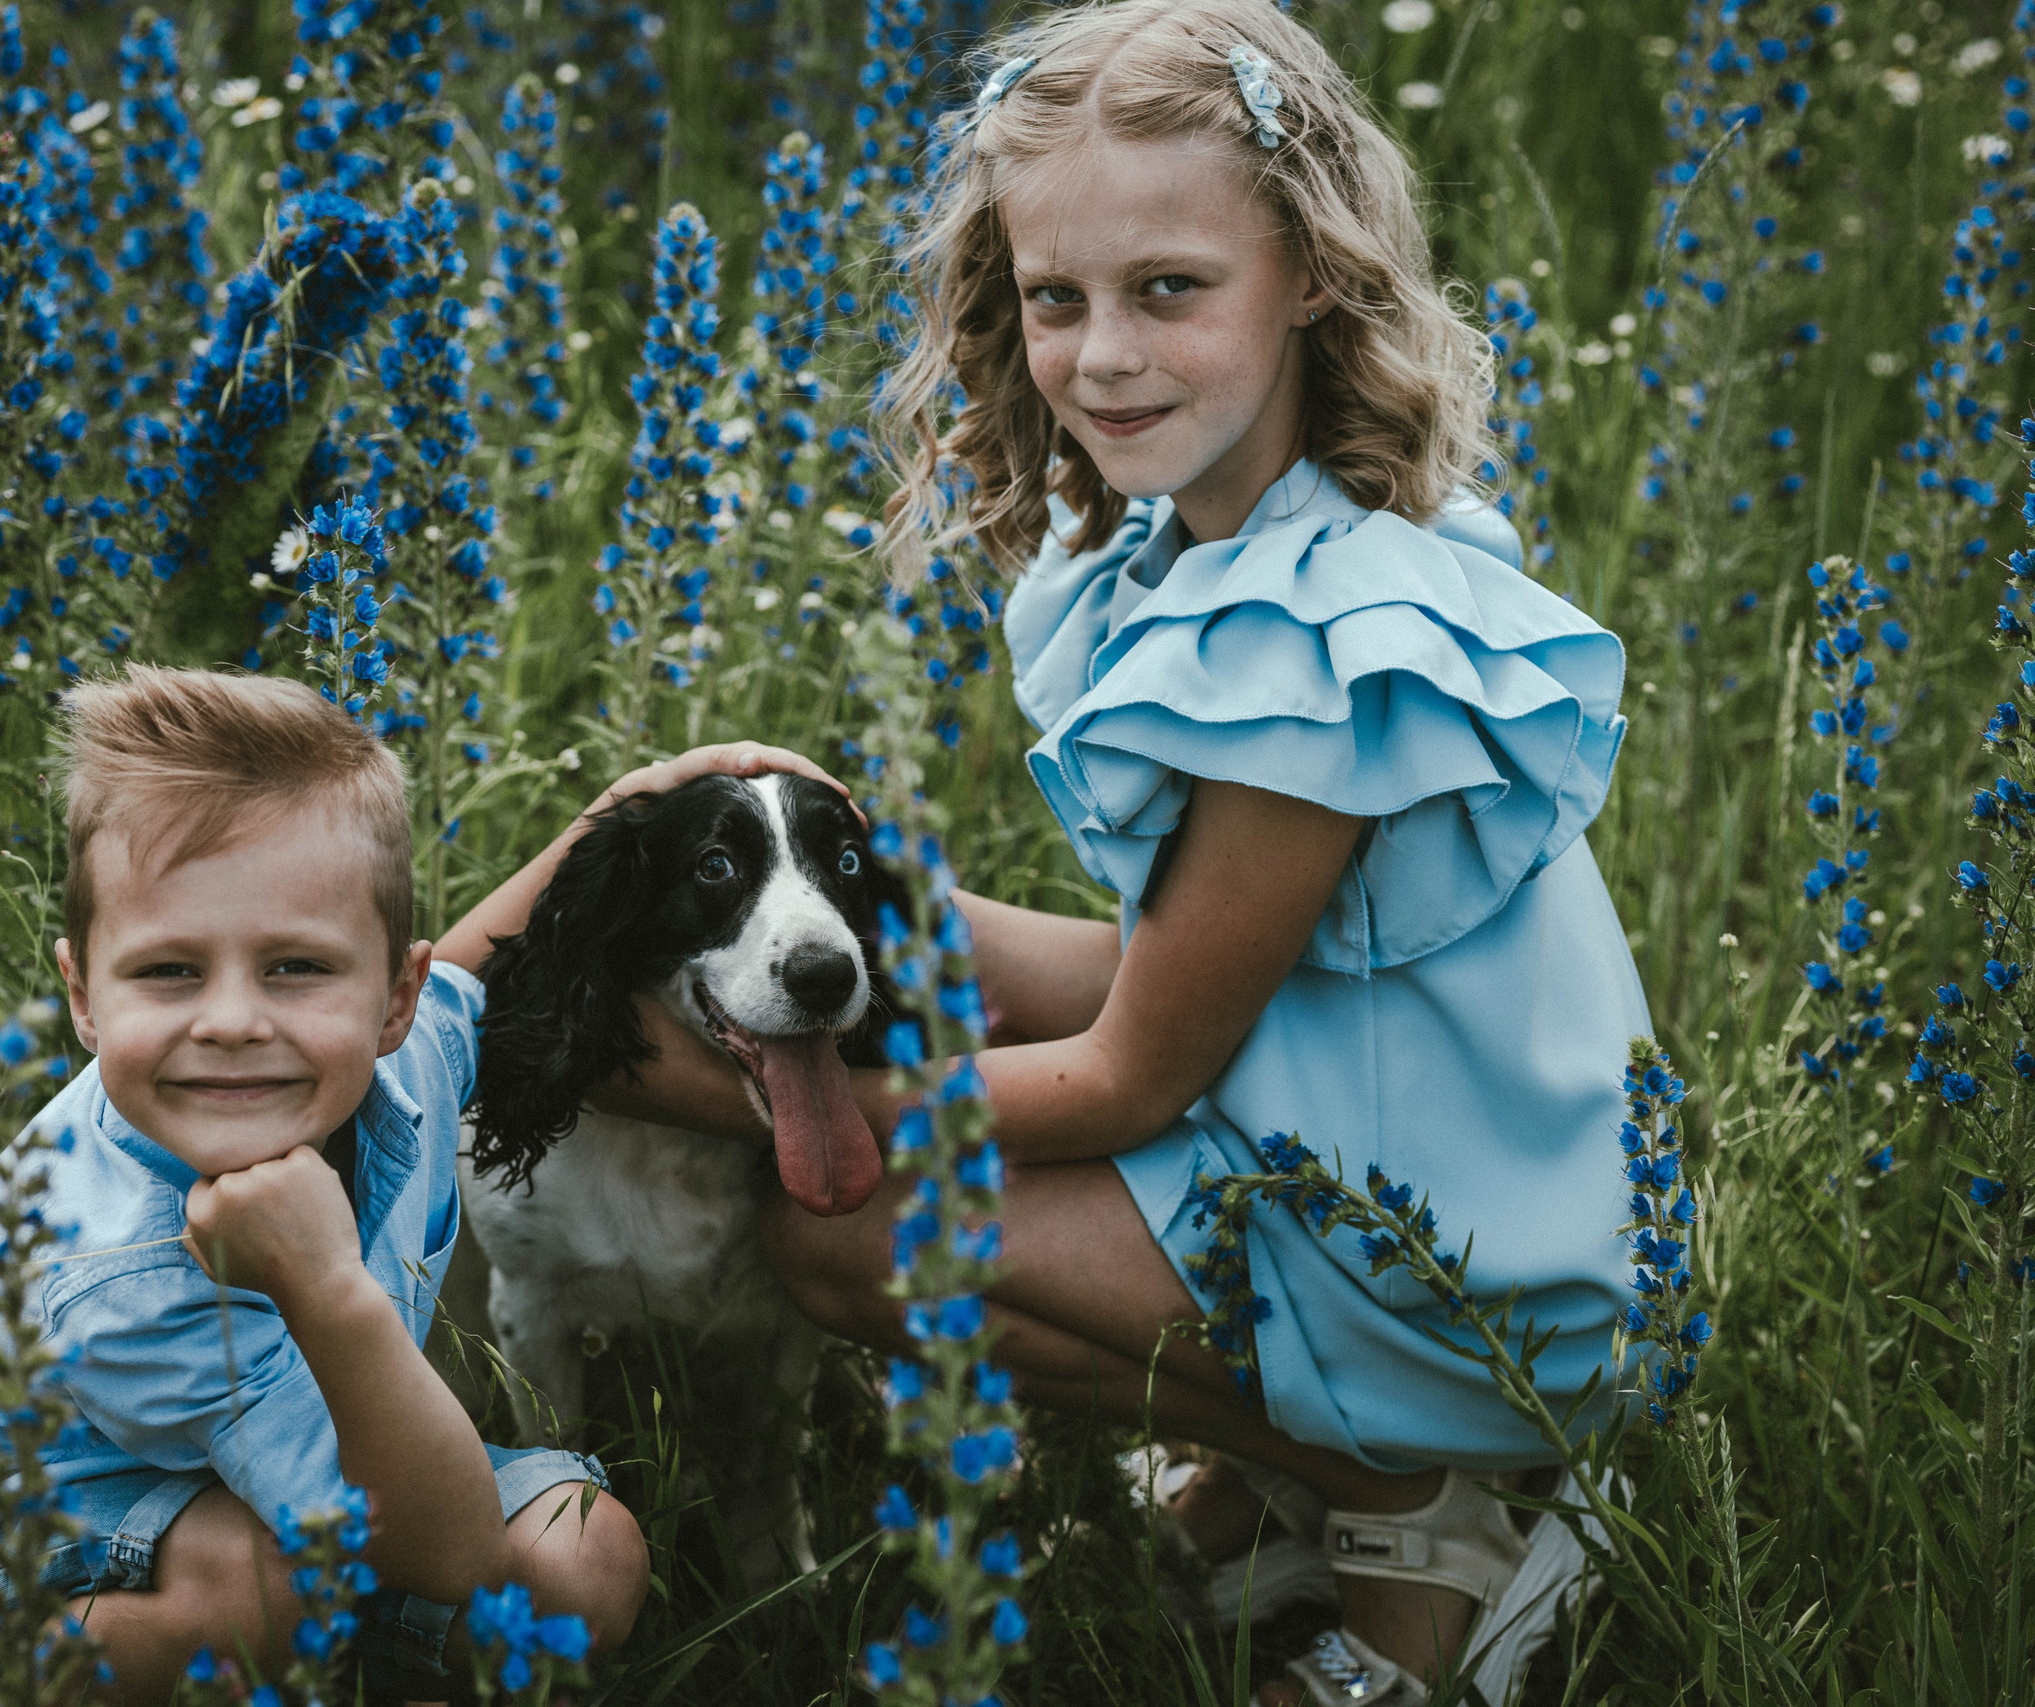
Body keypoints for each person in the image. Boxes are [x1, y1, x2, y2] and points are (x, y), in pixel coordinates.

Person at [589, 3, 1650, 1702]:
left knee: (846, 1240)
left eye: (1170, 289)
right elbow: (1226, 971)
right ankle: (1306, 1455)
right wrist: (894, 923)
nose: (1102, 356)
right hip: (1377, 1113)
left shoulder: (1324, 646)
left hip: (1463, 1253)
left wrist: (755, 1091)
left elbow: (1137, 1071)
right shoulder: (1231, 546)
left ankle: (1422, 1506)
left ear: (1309, 271)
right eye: (1055, 299)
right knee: (932, 1088)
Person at [0, 667, 652, 1703]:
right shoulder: (123, 1269)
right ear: (84, 997)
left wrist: (637, 798)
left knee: (582, 1555)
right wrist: (329, 1290)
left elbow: (495, 963)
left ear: (394, 999)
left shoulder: (402, 1055)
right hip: (7, 1559)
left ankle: (325, 1668)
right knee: (284, 1587)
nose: (235, 1021)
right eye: (168, 971)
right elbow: (454, 1557)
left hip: (250, 1493)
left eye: (295, 966)